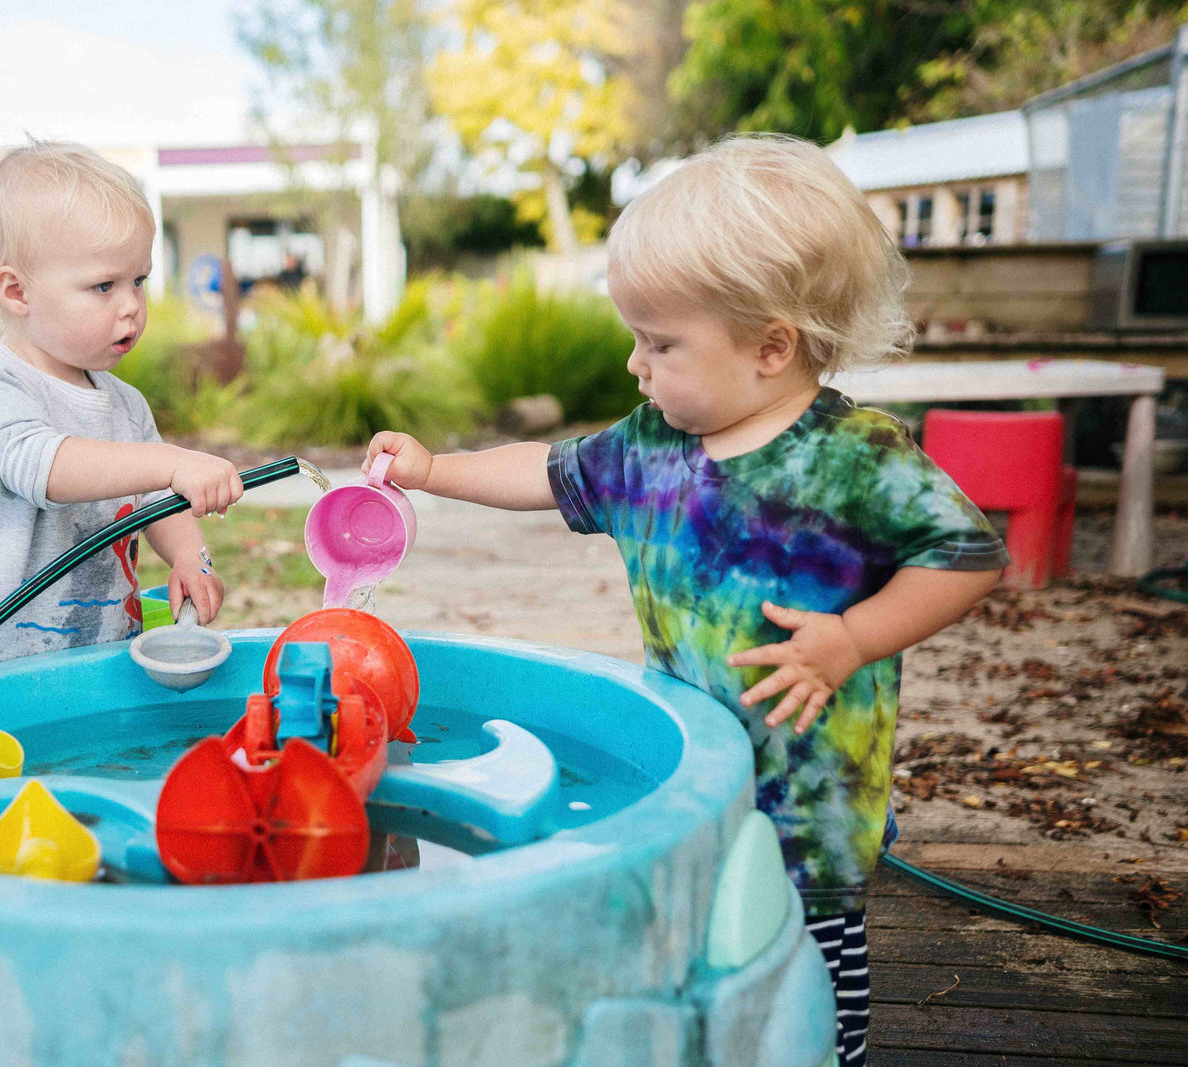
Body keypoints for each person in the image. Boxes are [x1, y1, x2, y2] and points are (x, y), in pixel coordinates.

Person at [362, 134, 1008, 1067]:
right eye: (637, 337)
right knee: (700, 961)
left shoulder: (856, 456)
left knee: (807, 989)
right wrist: (432, 470)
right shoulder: (650, 446)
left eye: (660, 343)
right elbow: (541, 472)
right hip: (692, 779)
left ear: (770, 346)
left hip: (809, 802)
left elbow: (966, 555)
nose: (636, 364)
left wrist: (851, 638)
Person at [0, 139, 243, 670]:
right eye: (104, 286)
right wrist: (173, 462)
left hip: (100, 661)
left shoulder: (125, 405)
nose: (132, 306)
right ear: (17, 292)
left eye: (138, 281)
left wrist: (191, 554)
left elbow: (155, 500)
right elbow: (43, 468)